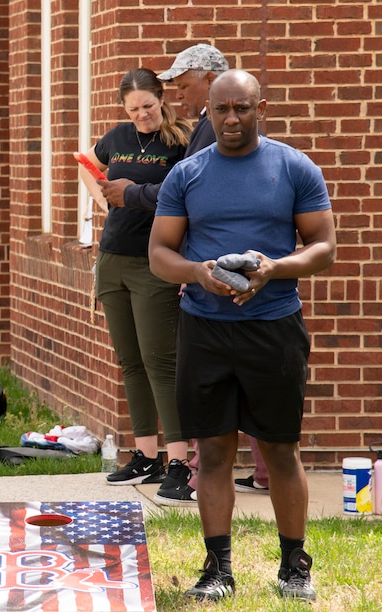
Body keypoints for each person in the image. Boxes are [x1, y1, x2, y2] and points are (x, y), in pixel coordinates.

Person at [148, 69, 336, 602]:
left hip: (274, 328)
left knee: (279, 449)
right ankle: (218, 569)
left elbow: (324, 245)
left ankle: (294, 566)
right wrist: (198, 273)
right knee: (212, 452)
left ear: (262, 108)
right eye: (221, 109)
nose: (232, 119)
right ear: (206, 109)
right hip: (205, 328)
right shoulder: (187, 175)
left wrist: (275, 269)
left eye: (243, 108)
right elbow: (160, 253)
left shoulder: (293, 167)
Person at [77, 68, 196, 506]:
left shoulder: (180, 141)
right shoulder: (118, 137)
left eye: (148, 106)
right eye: (133, 109)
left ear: (161, 100)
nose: (142, 115)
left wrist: (134, 192)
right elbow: (86, 160)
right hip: (113, 259)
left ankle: (180, 461)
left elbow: (184, 193)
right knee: (130, 361)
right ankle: (147, 455)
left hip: (154, 262)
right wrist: (101, 197)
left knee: (160, 360)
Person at [158, 42, 271, 494]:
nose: (181, 98)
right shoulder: (203, 130)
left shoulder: (215, 135)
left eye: (185, 87)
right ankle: (254, 476)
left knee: (234, 396)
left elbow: (176, 196)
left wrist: (130, 194)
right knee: (242, 395)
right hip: (209, 282)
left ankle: (199, 471)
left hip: (237, 291)